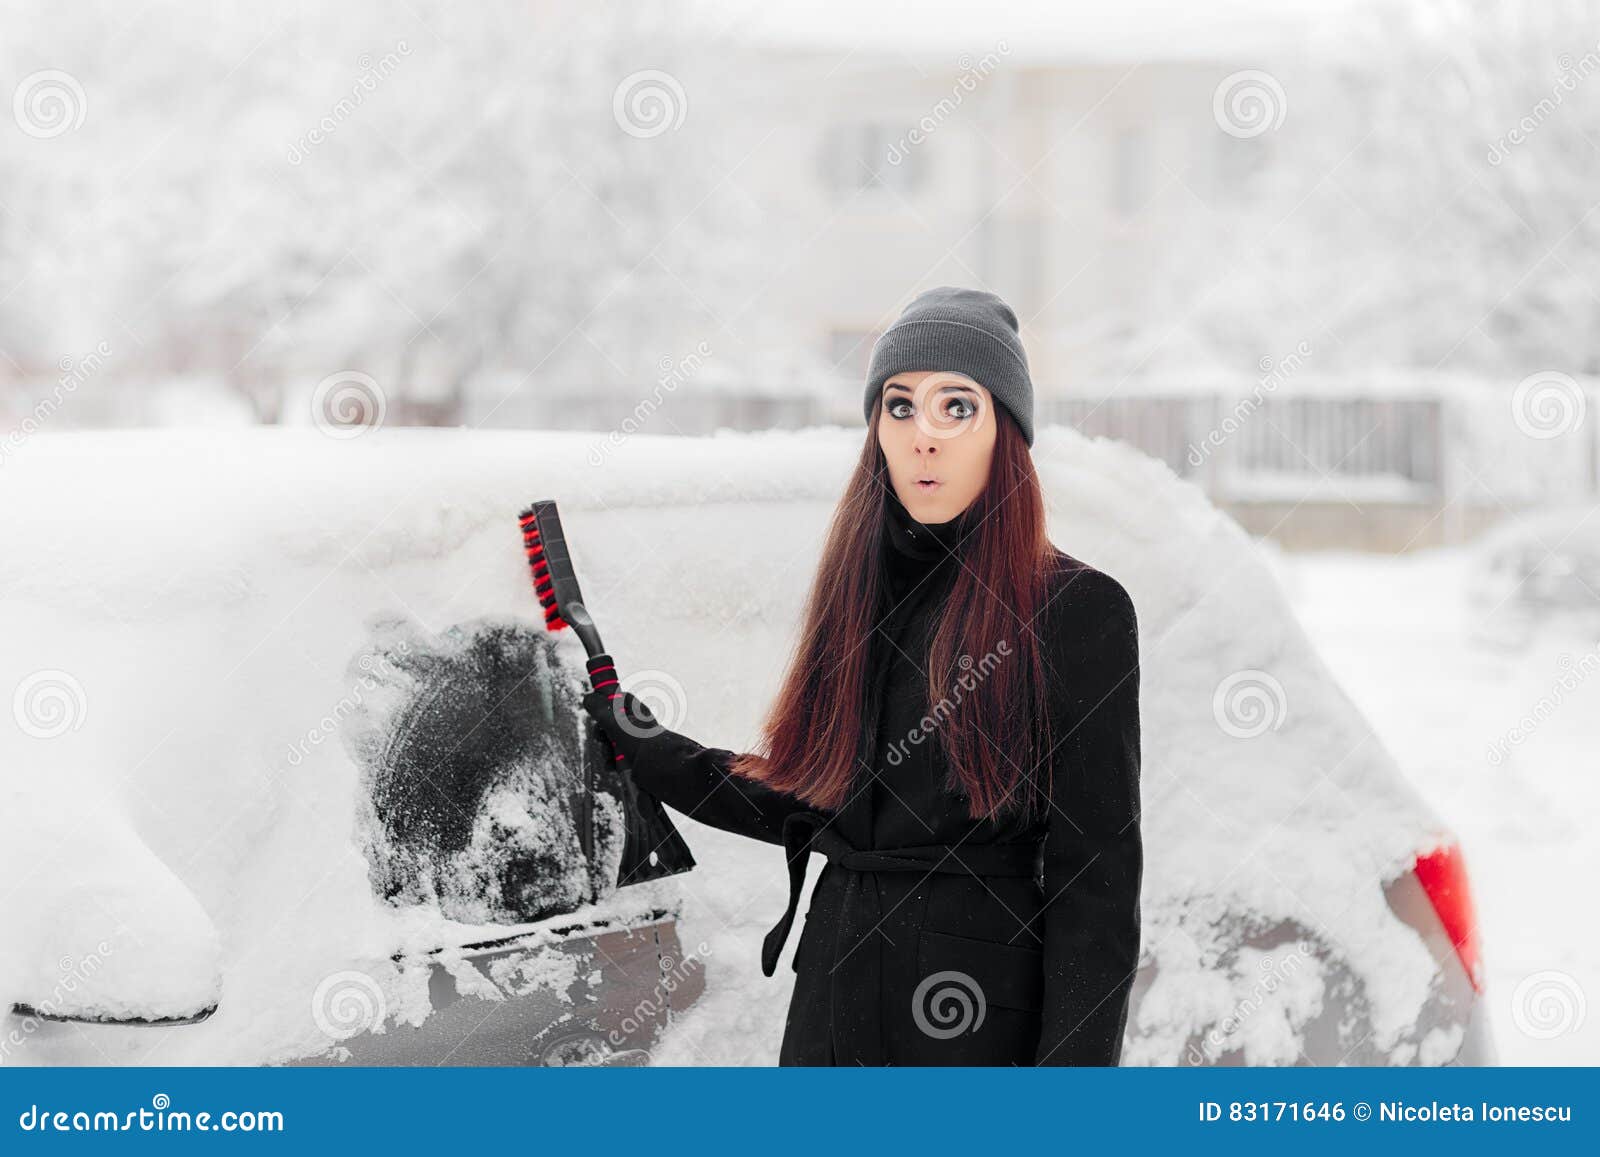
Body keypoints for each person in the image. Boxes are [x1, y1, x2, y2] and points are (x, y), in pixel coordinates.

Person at [583, 286, 1142, 1066]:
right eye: (900, 406)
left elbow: (1099, 883)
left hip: (972, 1019)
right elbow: (813, 798)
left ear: (1005, 432)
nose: (924, 438)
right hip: (834, 1000)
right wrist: (649, 746)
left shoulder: (1076, 609)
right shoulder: (860, 596)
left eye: (958, 407)